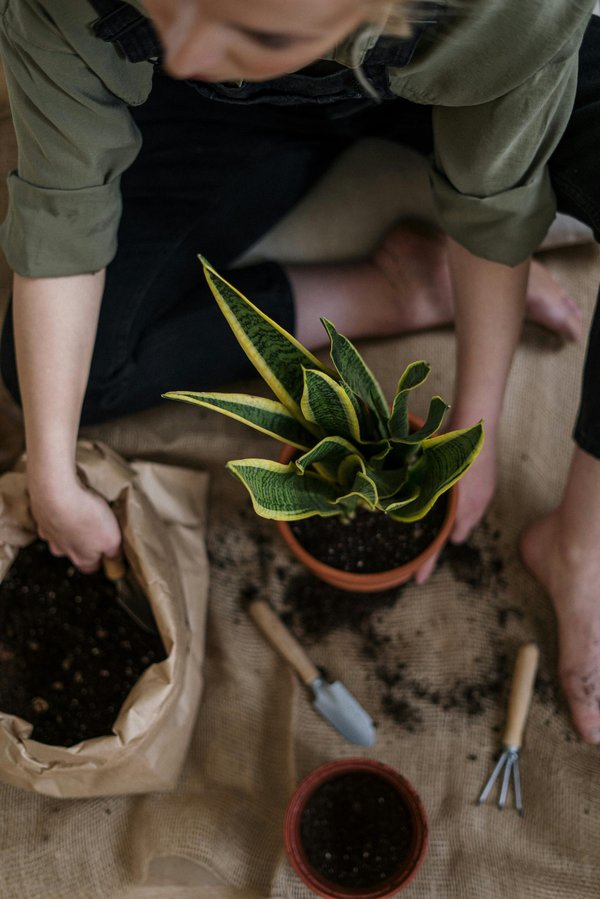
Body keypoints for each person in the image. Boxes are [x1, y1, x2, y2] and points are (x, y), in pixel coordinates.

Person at [0, 0, 598, 740]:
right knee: (56, 376)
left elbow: (493, 197)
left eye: (250, 30)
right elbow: (64, 210)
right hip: (229, 115)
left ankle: (581, 541)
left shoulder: (507, 12)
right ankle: (400, 286)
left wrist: (474, 429)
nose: (184, 54)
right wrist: (53, 477)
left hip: (444, 68)